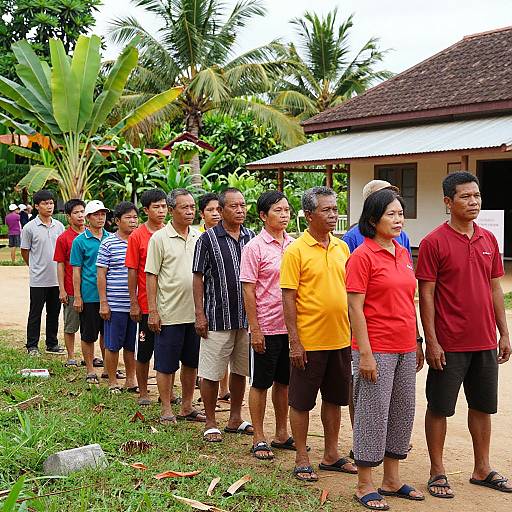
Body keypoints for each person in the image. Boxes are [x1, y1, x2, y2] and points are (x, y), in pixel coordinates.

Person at [416, 171, 512, 498]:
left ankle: (482, 467)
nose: (474, 202)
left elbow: (495, 287)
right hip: (449, 344)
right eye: (465, 197)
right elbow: (426, 294)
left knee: (483, 406)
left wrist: (504, 332)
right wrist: (432, 341)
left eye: (477, 196)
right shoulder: (433, 242)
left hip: (485, 340)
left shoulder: (488, 239)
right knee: (440, 407)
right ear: (448, 202)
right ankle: (437, 470)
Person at [346, 189, 425, 510]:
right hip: (375, 347)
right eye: (391, 214)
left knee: (402, 412)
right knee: (371, 414)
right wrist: (364, 352)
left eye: (400, 214)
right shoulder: (361, 257)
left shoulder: (403, 253)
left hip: (405, 346)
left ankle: (391, 479)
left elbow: (409, 301)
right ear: (372, 219)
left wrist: (417, 341)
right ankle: (364, 484)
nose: (398, 219)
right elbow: (354, 308)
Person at [281, 186, 356, 482]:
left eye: (335, 208)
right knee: (301, 401)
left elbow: (349, 294)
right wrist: (295, 342)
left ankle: (331, 454)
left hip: (340, 339)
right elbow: (288, 298)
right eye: (326, 210)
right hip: (309, 342)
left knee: (335, 399)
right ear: (309, 214)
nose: (333, 214)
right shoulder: (295, 251)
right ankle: (301, 457)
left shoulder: (342, 248)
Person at [193, 187, 255, 442]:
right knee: (210, 371)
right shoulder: (207, 239)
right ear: (221, 209)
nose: (240, 210)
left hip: (245, 317)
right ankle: (210, 420)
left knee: (240, 370)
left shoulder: (251, 236)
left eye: (243, 205)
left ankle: (235, 417)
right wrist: (199, 313)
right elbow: (197, 277)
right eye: (234, 206)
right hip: (217, 316)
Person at [240, 191, 294, 460]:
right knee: (261, 383)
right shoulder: (254, 248)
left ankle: (282, 433)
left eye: (286, 210)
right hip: (266, 326)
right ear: (263, 216)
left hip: (290, 328)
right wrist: (255, 329)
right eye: (278, 211)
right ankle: (259, 436)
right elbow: (248, 290)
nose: (284, 215)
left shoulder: (294, 245)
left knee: (284, 382)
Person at [145, 189, 205, 424]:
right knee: (166, 364)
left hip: (195, 312)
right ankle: (167, 408)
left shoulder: (199, 236)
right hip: (169, 313)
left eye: (192, 207)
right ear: (171, 210)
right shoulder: (159, 238)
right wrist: (153, 310)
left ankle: (187, 406)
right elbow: (152, 276)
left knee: (191, 362)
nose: (190, 211)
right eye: (184, 207)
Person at [126, 188, 168, 406]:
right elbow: (132, 270)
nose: (161, 211)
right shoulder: (137, 236)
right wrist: (134, 303)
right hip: (145, 304)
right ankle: (143, 391)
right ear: (146, 210)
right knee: (144, 351)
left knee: (167, 353)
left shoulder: (170, 232)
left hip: (170, 305)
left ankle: (166, 393)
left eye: (164, 206)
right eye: (156, 207)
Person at [97, 202, 139, 393]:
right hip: (115, 304)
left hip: (137, 305)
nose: (133, 221)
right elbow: (101, 274)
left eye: (135, 217)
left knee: (132, 345)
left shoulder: (139, 241)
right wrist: (104, 302)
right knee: (113, 345)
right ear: (116, 221)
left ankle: (131, 380)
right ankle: (112, 381)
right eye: (128, 217)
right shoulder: (108, 243)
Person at [70, 200, 110, 384]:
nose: (100, 217)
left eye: (103, 214)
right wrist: (77, 296)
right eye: (96, 214)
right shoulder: (80, 241)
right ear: (88, 218)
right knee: (88, 334)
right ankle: (90, 369)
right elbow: (76, 270)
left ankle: (108, 369)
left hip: (110, 295)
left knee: (107, 335)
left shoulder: (110, 238)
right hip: (89, 295)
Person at [20, 190, 65, 355]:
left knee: (54, 313)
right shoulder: (29, 228)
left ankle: (52, 343)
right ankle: (32, 345)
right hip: (38, 279)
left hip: (56, 278)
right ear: (37, 206)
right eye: (45, 203)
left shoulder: (59, 226)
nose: (49, 206)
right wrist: (33, 266)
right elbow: (25, 251)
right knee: (35, 313)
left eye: (51, 203)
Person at [197, 192, 229, 401]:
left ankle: (224, 390)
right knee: (210, 357)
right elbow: (197, 277)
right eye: (211, 210)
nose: (216, 214)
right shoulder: (201, 238)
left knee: (229, 355)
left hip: (233, 313)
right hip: (210, 308)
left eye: (219, 209)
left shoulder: (243, 236)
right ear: (202, 214)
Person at [53, 199, 86, 366]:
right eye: (76, 213)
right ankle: (71, 356)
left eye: (82, 211)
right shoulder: (63, 238)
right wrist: (62, 290)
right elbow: (60, 264)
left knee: (91, 327)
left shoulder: (92, 234)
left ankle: (90, 356)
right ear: (68, 216)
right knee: (71, 324)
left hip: (90, 289)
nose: (80, 215)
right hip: (71, 289)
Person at [343, 180, 411, 258]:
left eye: (400, 214)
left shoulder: (402, 236)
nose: (391, 198)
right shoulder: (352, 238)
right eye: (384, 195)